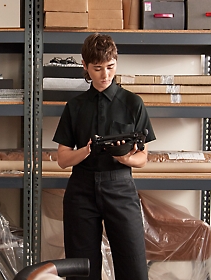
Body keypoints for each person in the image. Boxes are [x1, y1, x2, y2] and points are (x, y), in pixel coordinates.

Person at [52, 33, 156, 280]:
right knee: (81, 271)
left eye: (110, 67)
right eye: (97, 69)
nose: (105, 75)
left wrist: (126, 159)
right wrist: (86, 150)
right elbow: (63, 159)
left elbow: (143, 157)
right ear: (85, 66)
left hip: (120, 186)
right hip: (81, 190)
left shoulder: (133, 103)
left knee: (133, 267)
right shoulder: (75, 106)